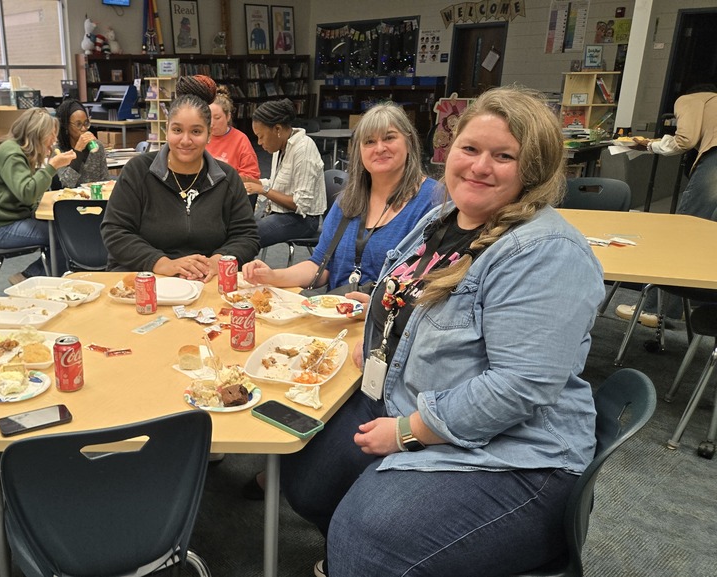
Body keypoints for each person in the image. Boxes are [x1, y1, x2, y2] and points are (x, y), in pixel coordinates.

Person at [280, 87, 604, 577]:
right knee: (306, 480)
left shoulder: (545, 252)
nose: (479, 166)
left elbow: (520, 387)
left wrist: (408, 433)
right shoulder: (443, 219)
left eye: (504, 156)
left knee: (365, 539)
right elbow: (403, 302)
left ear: (533, 169)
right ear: (450, 150)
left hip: (517, 454)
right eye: (470, 148)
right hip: (406, 396)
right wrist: (377, 345)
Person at [242, 103, 438, 293]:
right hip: (339, 309)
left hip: (390, 313)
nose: (379, 148)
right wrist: (273, 276)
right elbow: (320, 266)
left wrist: (376, 307)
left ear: (409, 142)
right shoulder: (348, 199)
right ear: (359, 150)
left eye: (389, 138)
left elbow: (433, 284)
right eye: (369, 141)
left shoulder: (432, 201)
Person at [101, 76, 259, 280]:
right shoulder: (138, 171)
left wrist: (217, 262)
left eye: (196, 131)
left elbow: (247, 236)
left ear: (209, 135)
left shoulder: (227, 178)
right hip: (146, 278)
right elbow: (115, 231)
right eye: (177, 130)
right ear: (167, 131)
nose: (185, 140)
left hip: (206, 279)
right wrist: (162, 263)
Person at [617, 83, 717, 326]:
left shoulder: (690, 99)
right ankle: (692, 308)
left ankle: (654, 309)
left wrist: (649, 145)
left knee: (685, 232)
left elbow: (685, 140)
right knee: (708, 238)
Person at [0, 107, 76, 284]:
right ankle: (29, 276)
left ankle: (39, 275)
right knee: (67, 236)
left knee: (65, 229)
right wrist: (52, 166)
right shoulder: (12, 154)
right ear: (38, 134)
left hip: (8, 220)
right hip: (0, 228)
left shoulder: (17, 151)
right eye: (51, 134)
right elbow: (27, 193)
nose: (54, 140)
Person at [247, 98, 327, 248]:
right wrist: (252, 182)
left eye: (261, 136)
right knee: (239, 228)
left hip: (303, 220)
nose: (259, 142)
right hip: (279, 212)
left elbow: (300, 204)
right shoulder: (280, 147)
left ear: (277, 129)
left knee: (248, 236)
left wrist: (263, 190)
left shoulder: (303, 149)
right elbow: (278, 185)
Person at [206, 84, 261, 206]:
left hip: (231, 191)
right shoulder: (201, 138)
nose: (212, 123)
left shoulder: (240, 139)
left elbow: (251, 176)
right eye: (209, 118)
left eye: (217, 118)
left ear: (228, 117)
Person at [54, 98, 109, 189]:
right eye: (78, 124)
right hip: (71, 196)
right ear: (66, 126)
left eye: (86, 123)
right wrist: (78, 151)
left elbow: (105, 181)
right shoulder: (58, 150)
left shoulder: (97, 146)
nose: (84, 128)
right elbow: (66, 184)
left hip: (95, 195)